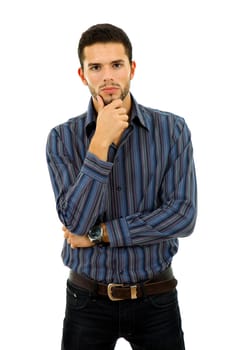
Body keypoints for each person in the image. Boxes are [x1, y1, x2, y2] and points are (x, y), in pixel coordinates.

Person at [46, 23, 197, 350]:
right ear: (82, 74)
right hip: (86, 301)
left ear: (132, 68)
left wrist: (100, 235)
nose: (108, 76)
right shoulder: (62, 138)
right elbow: (75, 223)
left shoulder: (172, 130)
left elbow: (182, 216)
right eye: (96, 67)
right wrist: (100, 142)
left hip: (157, 299)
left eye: (116, 65)